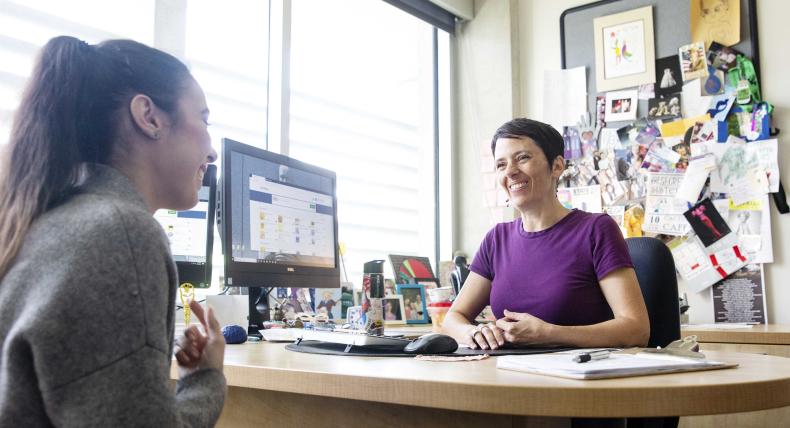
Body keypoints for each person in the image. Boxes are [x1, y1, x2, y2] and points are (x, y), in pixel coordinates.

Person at [0, 36, 226, 426]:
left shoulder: (46, 218)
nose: (212, 151)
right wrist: (205, 379)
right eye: (203, 120)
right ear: (149, 117)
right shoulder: (121, 232)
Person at [442, 118, 649, 350]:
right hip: (507, 374)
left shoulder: (596, 230)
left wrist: (549, 333)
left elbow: (636, 329)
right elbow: (453, 318)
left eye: (522, 158)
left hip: (576, 377)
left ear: (557, 166)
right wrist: (475, 331)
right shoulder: (496, 239)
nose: (510, 171)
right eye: (501, 164)